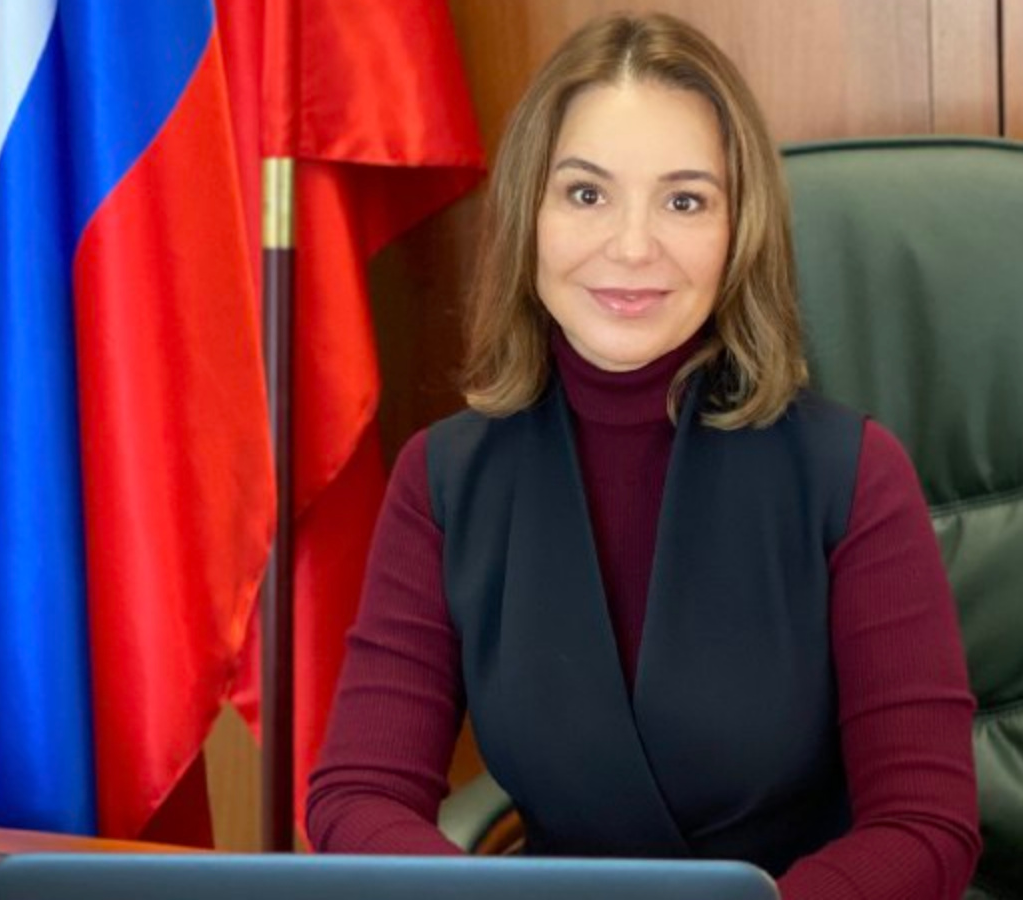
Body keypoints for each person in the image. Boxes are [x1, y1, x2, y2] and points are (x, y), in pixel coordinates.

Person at [307, 12, 981, 899]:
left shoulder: (850, 475)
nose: (631, 247)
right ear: (529, 213)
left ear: (739, 230)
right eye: (587, 194)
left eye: (684, 200)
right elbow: (357, 796)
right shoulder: (445, 482)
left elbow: (926, 825)